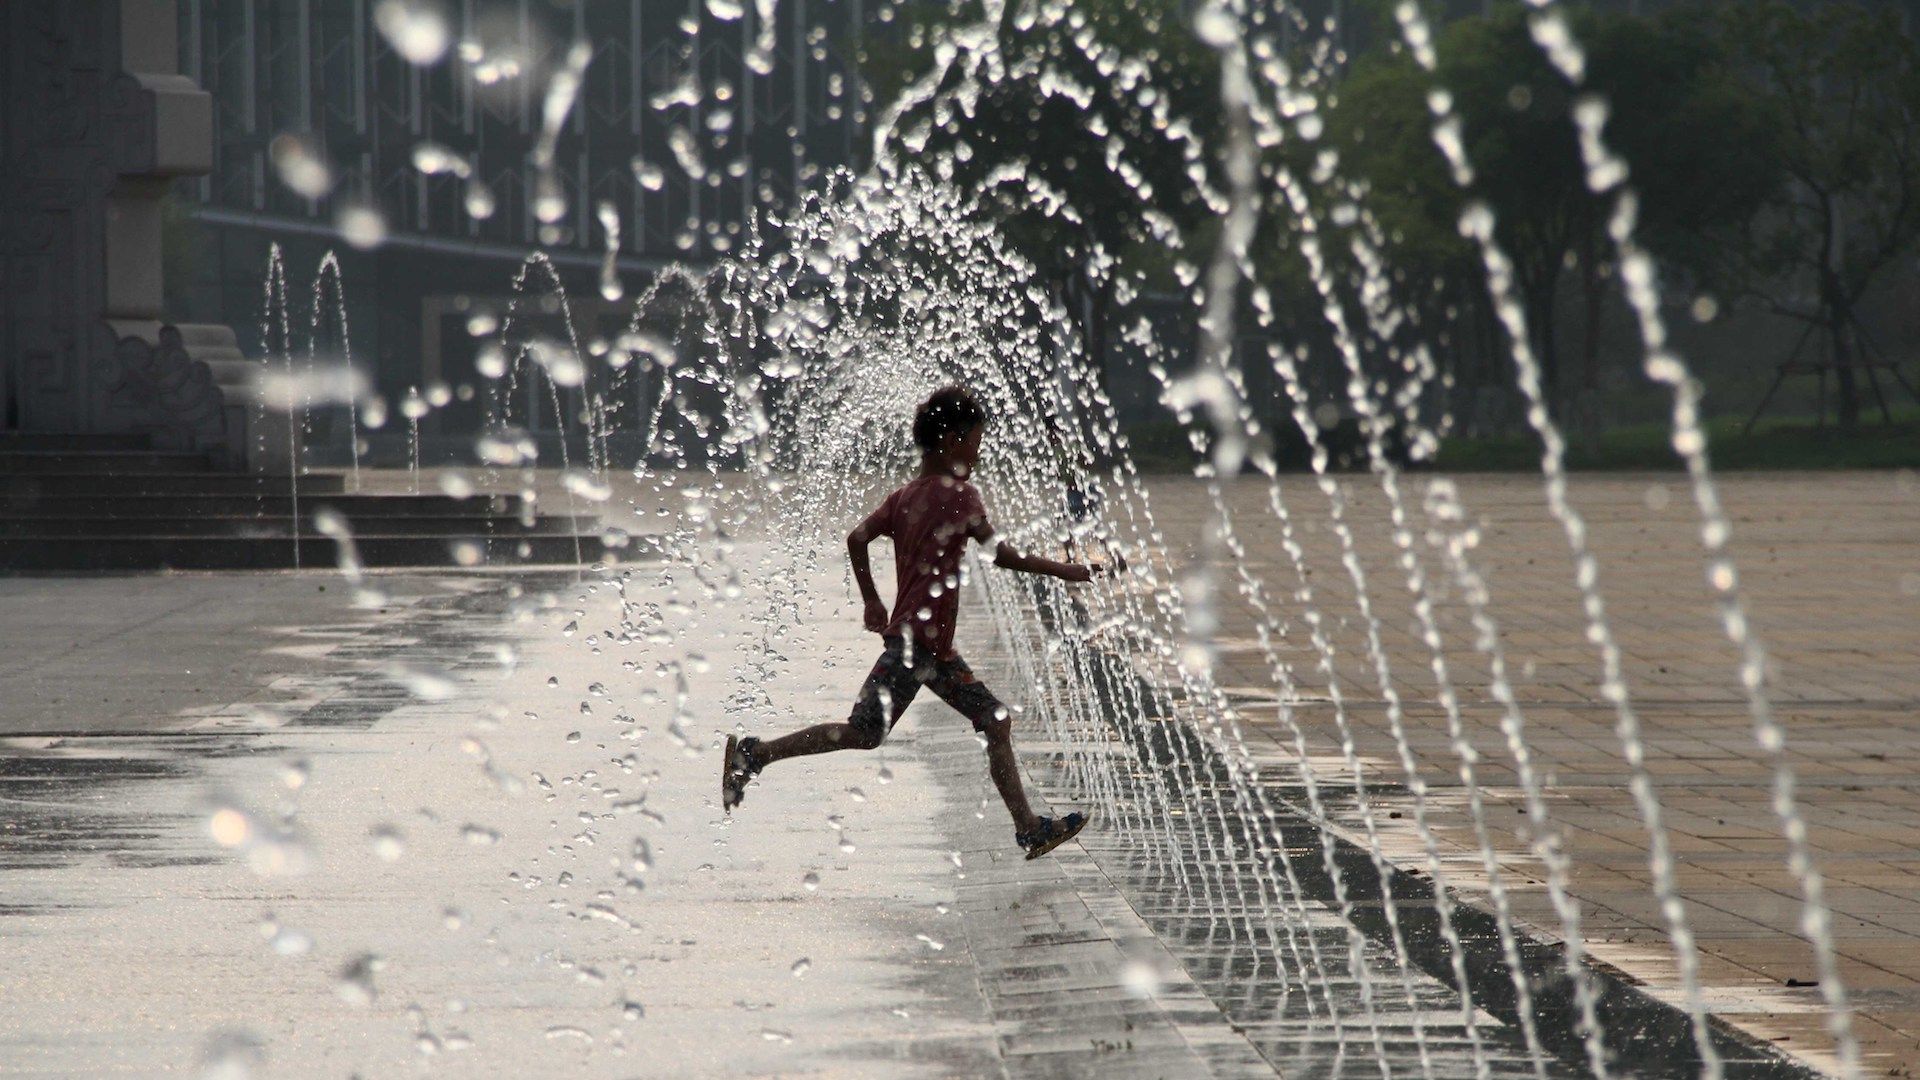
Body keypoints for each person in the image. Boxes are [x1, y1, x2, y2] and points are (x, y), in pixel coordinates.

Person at [721, 386, 1111, 860]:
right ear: (950, 439)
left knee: (992, 720)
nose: (978, 451)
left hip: (931, 650)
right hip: (915, 648)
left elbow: (857, 538)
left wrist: (872, 602)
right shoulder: (959, 495)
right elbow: (1003, 556)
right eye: (974, 441)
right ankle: (755, 754)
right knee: (865, 733)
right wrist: (1064, 569)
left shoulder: (903, 497)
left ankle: (1029, 827)